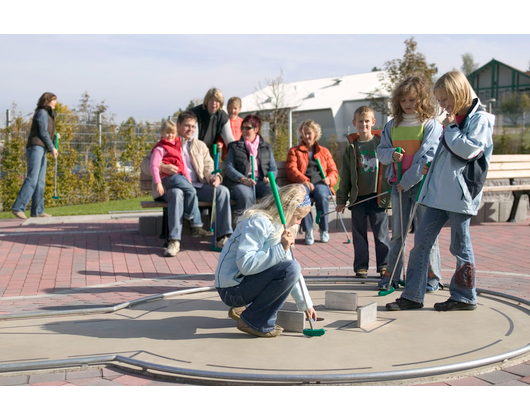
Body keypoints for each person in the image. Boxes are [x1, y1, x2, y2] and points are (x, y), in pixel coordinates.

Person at [386, 71, 495, 311]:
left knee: (460, 246)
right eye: (441, 100)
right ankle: (413, 295)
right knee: (421, 244)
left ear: (459, 93)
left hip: (460, 196)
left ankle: (464, 297)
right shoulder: (454, 120)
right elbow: (446, 157)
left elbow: (469, 151)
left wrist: (451, 129)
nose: (443, 106)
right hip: (437, 195)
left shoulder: (480, 120)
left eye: (446, 99)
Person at [215, 183, 317, 337]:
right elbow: (245, 265)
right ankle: (256, 321)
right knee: (290, 269)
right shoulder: (258, 222)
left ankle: (248, 309)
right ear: (287, 211)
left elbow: (291, 269)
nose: (298, 223)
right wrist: (280, 248)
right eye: (298, 217)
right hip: (231, 289)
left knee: (290, 268)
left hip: (241, 284)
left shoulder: (280, 227)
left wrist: (305, 304)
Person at [376, 75, 443, 292]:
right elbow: (381, 151)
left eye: (412, 100)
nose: (407, 104)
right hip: (398, 187)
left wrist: (407, 181)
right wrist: (391, 156)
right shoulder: (392, 125)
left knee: (426, 234)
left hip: (422, 186)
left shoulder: (430, 125)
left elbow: (427, 156)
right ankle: (392, 277)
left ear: (422, 99)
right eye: (403, 100)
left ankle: (431, 278)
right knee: (398, 235)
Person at [336, 106, 391, 279]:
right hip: (358, 198)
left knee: (381, 234)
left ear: (373, 122)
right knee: (359, 235)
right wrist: (341, 199)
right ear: (354, 123)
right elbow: (345, 176)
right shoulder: (351, 148)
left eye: (367, 121)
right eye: (360, 121)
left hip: (378, 196)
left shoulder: (382, 143)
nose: (364, 124)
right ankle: (361, 267)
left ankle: (384, 265)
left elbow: (390, 167)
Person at [148, 120, 212, 257]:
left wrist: (188, 178)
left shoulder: (179, 145)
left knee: (180, 192)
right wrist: (159, 180)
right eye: (167, 133)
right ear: (161, 133)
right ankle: (191, 221)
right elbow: (151, 165)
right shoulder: (160, 148)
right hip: (168, 180)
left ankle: (180, 236)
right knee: (190, 191)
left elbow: (182, 164)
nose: (170, 135)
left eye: (172, 133)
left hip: (180, 179)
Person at [177, 110, 233, 249]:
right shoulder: (169, 143)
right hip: (180, 187)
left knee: (222, 191)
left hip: (198, 185)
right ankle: (177, 238)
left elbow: (208, 166)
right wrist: (161, 166)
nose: (190, 129)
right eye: (187, 125)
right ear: (178, 125)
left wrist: (213, 177)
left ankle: (222, 236)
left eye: (193, 126)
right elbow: (147, 164)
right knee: (179, 193)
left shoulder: (200, 145)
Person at [285, 119, 338, 245]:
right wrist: (303, 180)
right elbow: (291, 169)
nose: (306, 136)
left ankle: (323, 228)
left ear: (315, 133)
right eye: (304, 133)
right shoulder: (294, 151)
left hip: (320, 182)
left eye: (309, 133)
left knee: (322, 196)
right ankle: (308, 229)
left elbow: (333, 170)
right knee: (302, 197)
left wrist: (329, 179)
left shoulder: (324, 151)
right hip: (304, 182)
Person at [12, 92, 59, 220]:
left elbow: (46, 132)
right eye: (54, 100)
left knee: (40, 182)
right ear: (48, 101)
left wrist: (54, 137)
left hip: (42, 148)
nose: (55, 103)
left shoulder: (49, 115)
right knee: (32, 178)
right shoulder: (42, 113)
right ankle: (18, 207)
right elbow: (42, 132)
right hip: (36, 147)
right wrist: (52, 148)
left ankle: (38, 211)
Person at [224, 114, 277, 213]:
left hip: (261, 181)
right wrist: (243, 179)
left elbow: (273, 168)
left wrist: (270, 177)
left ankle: (271, 224)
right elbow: (229, 168)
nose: (244, 131)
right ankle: (245, 226)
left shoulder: (266, 147)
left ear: (256, 129)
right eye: (242, 128)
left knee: (275, 191)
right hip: (241, 183)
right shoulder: (234, 147)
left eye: (247, 128)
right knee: (245, 195)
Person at [190, 87, 235, 158]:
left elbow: (229, 138)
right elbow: (193, 138)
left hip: (211, 151)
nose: (214, 103)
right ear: (206, 101)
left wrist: (236, 151)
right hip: (195, 149)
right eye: (211, 100)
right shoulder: (195, 113)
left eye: (217, 101)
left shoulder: (223, 117)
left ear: (220, 103)